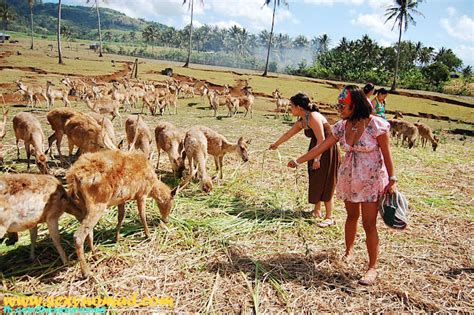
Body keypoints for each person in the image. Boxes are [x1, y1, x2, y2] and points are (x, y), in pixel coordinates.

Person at [287, 85, 397, 285]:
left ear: (355, 105)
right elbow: (322, 146)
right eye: (338, 105)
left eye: (343, 106)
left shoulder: (377, 126)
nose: (339, 109)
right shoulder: (341, 126)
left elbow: (388, 156)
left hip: (371, 181)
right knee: (351, 217)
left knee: (369, 224)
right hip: (349, 179)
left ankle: (372, 268)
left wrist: (393, 180)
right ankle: (348, 252)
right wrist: (299, 160)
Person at [269, 93, 340, 227]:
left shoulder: (313, 117)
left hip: (326, 150)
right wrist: (276, 144)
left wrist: (317, 159)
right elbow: (288, 134)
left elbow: (322, 140)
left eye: (291, 106)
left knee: (326, 180)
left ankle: (329, 216)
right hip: (315, 148)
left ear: (300, 107)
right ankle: (317, 210)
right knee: (315, 177)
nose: (290, 108)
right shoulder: (302, 120)